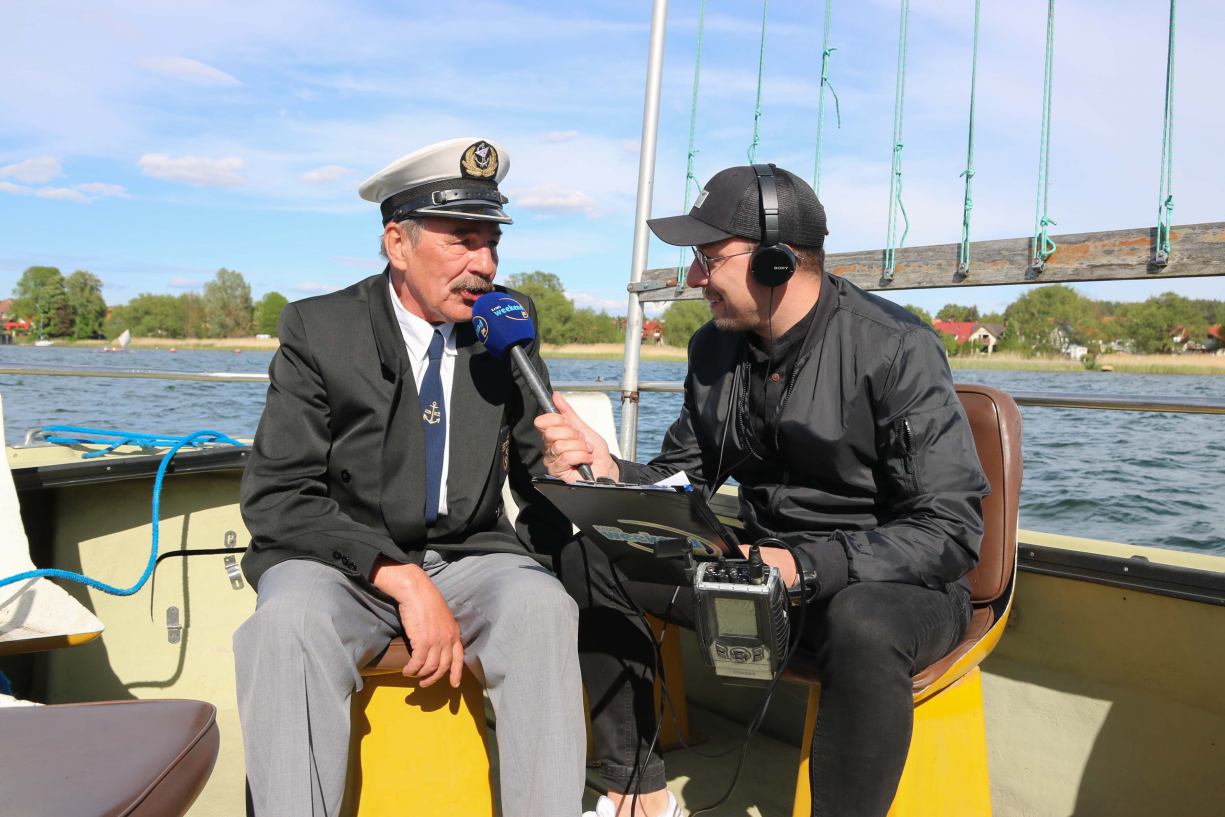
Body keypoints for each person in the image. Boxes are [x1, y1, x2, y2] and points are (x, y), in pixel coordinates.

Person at [536, 164, 990, 817]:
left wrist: (804, 565)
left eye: (708, 258)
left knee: (862, 620)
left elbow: (947, 531)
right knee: (588, 550)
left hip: (895, 590)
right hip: (759, 572)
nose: (695, 279)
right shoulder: (712, 350)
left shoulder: (895, 349)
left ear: (776, 262)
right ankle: (638, 795)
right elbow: (684, 479)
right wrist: (611, 472)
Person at [234, 137, 587, 817]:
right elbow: (277, 495)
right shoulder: (320, 328)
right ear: (398, 243)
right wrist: (400, 576)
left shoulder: (507, 322)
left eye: (492, 243)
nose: (484, 266)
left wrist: (570, 474)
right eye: (462, 242)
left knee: (543, 608)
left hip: (468, 555)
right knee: (286, 623)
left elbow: (535, 469)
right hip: (339, 562)